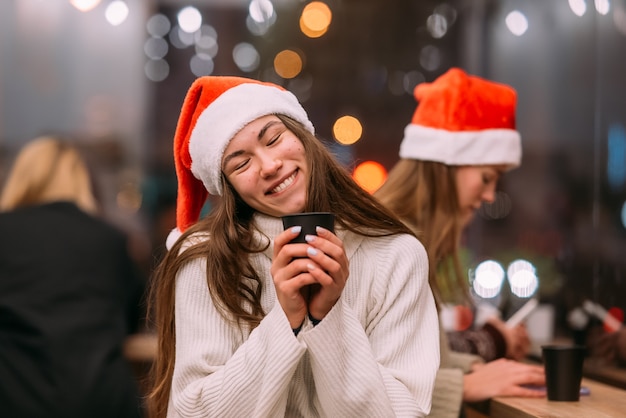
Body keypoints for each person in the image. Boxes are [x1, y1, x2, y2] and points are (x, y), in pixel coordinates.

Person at [147, 75, 439, 418]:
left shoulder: (397, 255)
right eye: (241, 164)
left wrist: (329, 317)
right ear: (229, 188)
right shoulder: (206, 259)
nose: (269, 166)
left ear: (302, 135)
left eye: (273, 139)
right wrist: (284, 319)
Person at [374, 68, 546, 417]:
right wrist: (465, 384)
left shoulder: (407, 236)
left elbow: (414, 355)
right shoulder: (391, 242)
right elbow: (355, 375)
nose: (488, 195)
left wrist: (474, 368)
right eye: (486, 177)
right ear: (446, 166)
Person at [0, 136, 146, 417]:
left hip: (16, 399)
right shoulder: (110, 240)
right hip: (103, 401)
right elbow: (132, 319)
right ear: (81, 181)